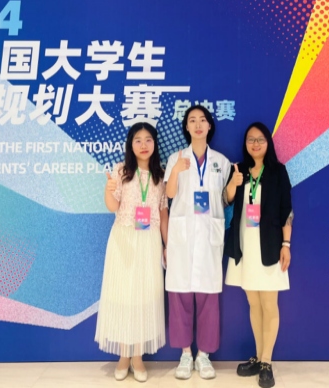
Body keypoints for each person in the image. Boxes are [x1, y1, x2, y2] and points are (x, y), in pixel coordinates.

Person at [95, 122, 168, 383]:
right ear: (130, 144)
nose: (144, 145)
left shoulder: (160, 176)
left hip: (149, 242)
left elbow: (163, 213)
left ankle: (137, 357)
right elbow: (112, 206)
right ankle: (123, 356)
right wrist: (108, 190)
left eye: (148, 139)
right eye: (138, 140)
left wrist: (167, 245)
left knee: (144, 297)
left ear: (155, 144)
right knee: (123, 296)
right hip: (123, 239)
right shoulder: (121, 171)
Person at [164, 105, 231, 380]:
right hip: (182, 235)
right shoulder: (176, 157)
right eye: (192, 120)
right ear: (187, 127)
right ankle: (185, 354)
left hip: (209, 233)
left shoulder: (221, 162)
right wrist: (176, 171)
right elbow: (169, 194)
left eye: (202, 120)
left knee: (208, 296)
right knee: (179, 294)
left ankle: (203, 355)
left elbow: (225, 199)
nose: (198, 124)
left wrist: (234, 186)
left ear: (210, 125)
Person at [224, 122, 293, 388]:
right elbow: (226, 201)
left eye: (260, 139)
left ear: (268, 143)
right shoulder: (238, 170)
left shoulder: (278, 171)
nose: (255, 144)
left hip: (270, 246)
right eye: (251, 139)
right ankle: (259, 355)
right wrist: (233, 184)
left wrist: (286, 244)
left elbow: (287, 210)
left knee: (269, 304)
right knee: (253, 303)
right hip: (244, 245)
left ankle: (266, 362)